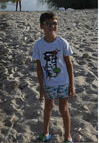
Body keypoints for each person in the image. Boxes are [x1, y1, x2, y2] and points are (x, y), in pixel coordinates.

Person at [32, 12, 75, 142]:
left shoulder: (62, 43)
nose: (52, 26)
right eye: (48, 24)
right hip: (49, 83)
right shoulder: (39, 45)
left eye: (54, 23)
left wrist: (72, 85)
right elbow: (39, 68)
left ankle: (68, 135)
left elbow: (69, 65)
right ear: (42, 26)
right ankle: (46, 132)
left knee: (64, 108)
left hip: (63, 82)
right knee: (48, 106)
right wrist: (41, 87)